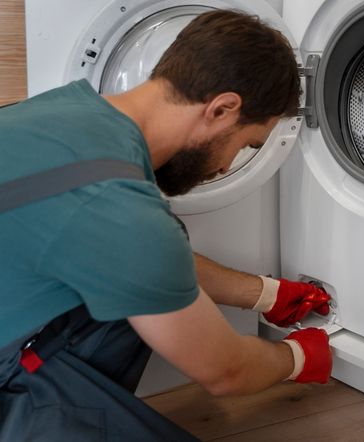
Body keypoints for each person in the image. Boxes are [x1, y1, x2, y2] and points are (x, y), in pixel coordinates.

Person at [0, 9, 332, 441]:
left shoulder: (65, 112)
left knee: (166, 238)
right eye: (246, 143)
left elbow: (138, 258)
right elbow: (226, 372)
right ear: (223, 109)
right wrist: (297, 357)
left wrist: (266, 295)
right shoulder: (116, 205)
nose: (227, 165)